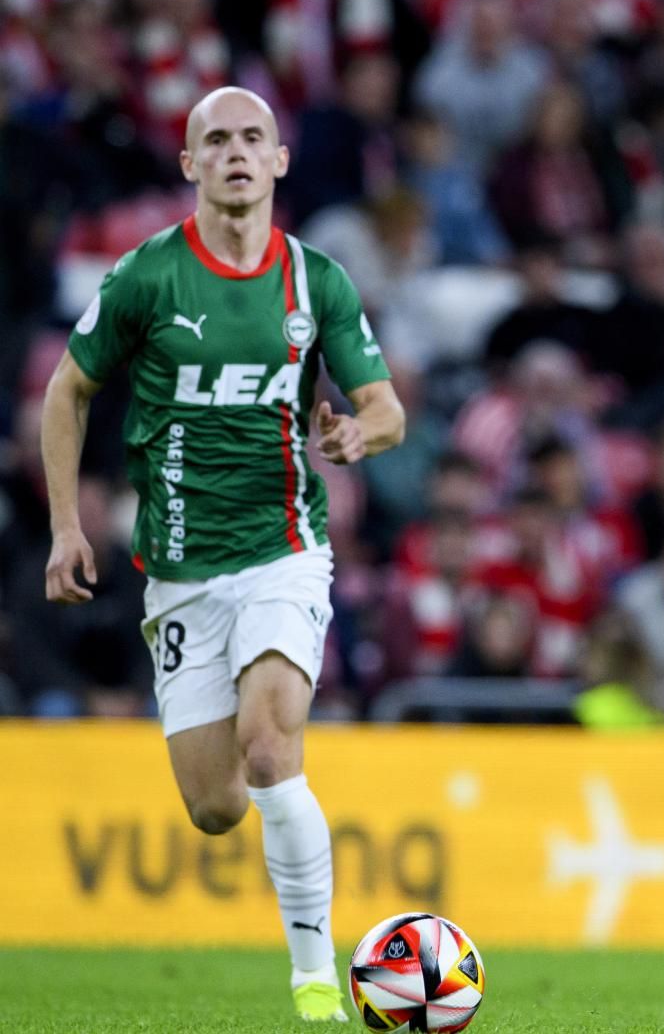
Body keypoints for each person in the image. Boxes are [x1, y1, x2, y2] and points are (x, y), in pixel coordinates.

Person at [41, 87, 405, 1023]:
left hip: (285, 549)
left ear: (279, 160)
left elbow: (387, 409)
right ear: (190, 165)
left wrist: (357, 434)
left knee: (272, 748)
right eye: (216, 140)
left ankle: (316, 982)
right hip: (178, 572)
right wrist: (67, 527)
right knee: (216, 808)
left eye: (253, 138)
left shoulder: (316, 281)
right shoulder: (148, 276)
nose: (236, 152)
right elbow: (66, 391)